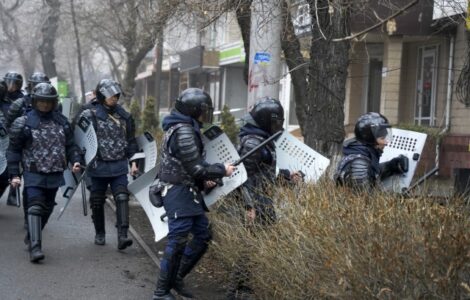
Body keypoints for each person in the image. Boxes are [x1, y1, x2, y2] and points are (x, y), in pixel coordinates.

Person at [152, 88, 235, 300]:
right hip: (178, 192)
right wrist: (221, 170)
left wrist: (206, 180)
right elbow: (197, 168)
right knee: (177, 240)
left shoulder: (187, 127)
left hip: (187, 192)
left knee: (203, 234)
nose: (205, 115)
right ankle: (161, 292)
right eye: (203, 110)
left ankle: (176, 278)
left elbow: (191, 167)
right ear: (193, 110)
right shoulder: (184, 131)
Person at [226, 97, 302, 299]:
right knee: (251, 247)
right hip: (256, 203)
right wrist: (249, 207)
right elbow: (243, 178)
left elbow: (264, 170)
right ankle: (237, 290)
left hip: (262, 200)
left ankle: (243, 288)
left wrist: (287, 176)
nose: (278, 127)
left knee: (256, 246)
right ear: (266, 120)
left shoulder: (261, 139)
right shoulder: (253, 141)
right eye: (275, 122)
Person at [7, 82, 82, 263]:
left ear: (54, 103)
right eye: (41, 102)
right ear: (34, 101)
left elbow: (71, 146)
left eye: (48, 102)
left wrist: (76, 160)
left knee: (46, 209)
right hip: (33, 173)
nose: (45, 105)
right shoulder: (23, 123)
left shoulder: (62, 122)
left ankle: (33, 235)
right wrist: (14, 174)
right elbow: (14, 150)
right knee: (34, 206)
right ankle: (35, 248)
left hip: (55, 173)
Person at [78, 79, 138, 249]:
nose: (115, 98)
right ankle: (100, 233)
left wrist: (134, 161)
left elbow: (131, 141)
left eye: (117, 95)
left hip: (119, 164)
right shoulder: (89, 115)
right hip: (98, 166)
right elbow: (79, 140)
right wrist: (79, 160)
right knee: (97, 201)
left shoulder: (125, 116)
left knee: (122, 197)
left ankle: (123, 235)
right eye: (111, 95)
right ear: (102, 95)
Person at [6, 72, 51, 224]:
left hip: (42, 150)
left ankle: (34, 213)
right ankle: (27, 211)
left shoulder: (50, 103)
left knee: (33, 184)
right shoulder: (20, 103)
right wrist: (17, 135)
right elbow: (9, 122)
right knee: (18, 176)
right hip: (22, 145)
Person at [334, 112, 408, 191]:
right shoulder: (359, 164)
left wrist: (391, 166)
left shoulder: (362, 154)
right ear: (370, 139)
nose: (386, 142)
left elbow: (371, 174)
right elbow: (364, 198)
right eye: (382, 138)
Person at [2, 71, 24, 206]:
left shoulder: (22, 99)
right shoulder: (1, 97)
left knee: (16, 163)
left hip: (15, 135)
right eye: (9, 83)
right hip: (2, 135)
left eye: (14, 83)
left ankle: (13, 192)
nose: (11, 86)